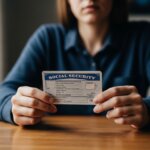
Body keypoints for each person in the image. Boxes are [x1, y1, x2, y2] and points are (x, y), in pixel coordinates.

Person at [0, 0, 150, 128]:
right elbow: (4, 92)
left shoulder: (144, 37)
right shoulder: (47, 38)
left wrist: (147, 110)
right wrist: (13, 107)